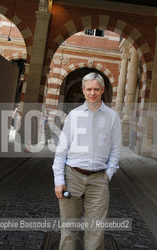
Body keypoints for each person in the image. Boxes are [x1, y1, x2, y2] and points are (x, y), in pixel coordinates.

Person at [52, 72, 121, 250]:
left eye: (96, 89)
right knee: (69, 228)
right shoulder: (73, 116)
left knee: (96, 229)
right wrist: (59, 180)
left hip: (99, 179)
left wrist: (108, 174)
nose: (92, 93)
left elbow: (115, 149)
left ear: (103, 90)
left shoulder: (112, 117)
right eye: (89, 89)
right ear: (83, 90)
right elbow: (61, 150)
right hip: (72, 176)